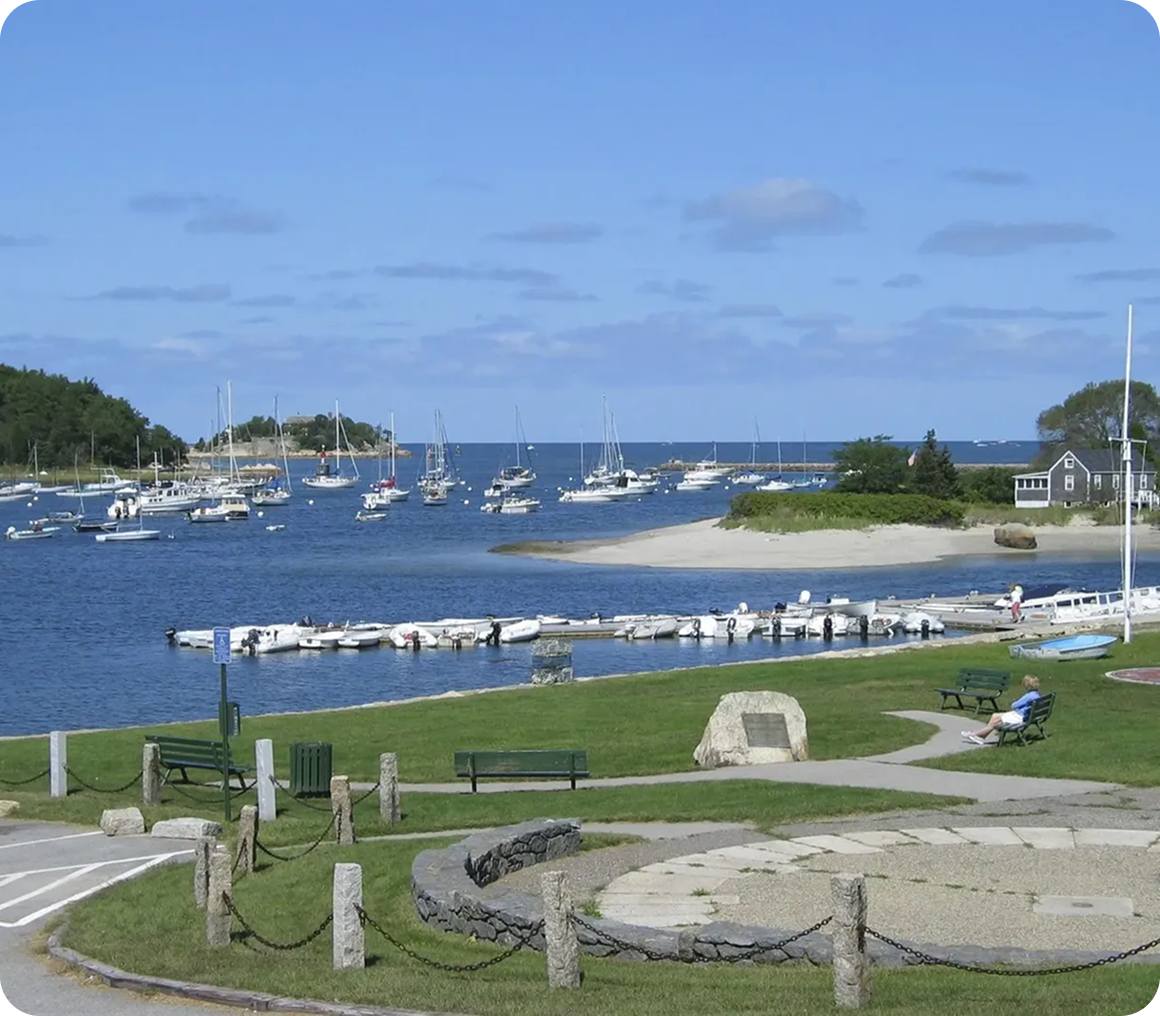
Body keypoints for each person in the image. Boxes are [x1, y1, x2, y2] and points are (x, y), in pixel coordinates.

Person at [962, 675, 1041, 745]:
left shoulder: (1029, 696)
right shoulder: (1036, 695)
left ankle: (975, 734)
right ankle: (980, 736)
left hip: (1020, 717)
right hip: (1025, 716)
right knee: (995, 716)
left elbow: (1014, 706)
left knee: (995, 721)